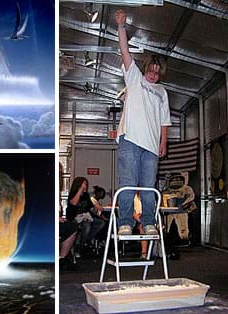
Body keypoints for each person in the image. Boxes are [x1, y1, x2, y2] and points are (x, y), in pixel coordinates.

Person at [115, 9, 172, 236]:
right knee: (128, 184)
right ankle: (125, 223)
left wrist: (163, 142)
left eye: (157, 73)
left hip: (150, 145)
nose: (153, 75)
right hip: (130, 138)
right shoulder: (135, 78)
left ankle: (149, 221)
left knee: (149, 188)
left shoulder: (162, 92)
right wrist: (121, 27)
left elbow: (164, 120)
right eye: (151, 70)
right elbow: (125, 51)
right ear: (146, 68)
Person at [67, 177, 105, 257]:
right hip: (74, 218)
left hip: (86, 217)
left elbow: (90, 208)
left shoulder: (86, 195)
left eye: (86, 184)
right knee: (86, 226)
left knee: (101, 223)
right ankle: (79, 248)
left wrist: (96, 208)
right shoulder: (73, 194)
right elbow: (73, 203)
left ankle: (85, 241)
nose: (85, 186)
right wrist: (80, 191)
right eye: (84, 184)